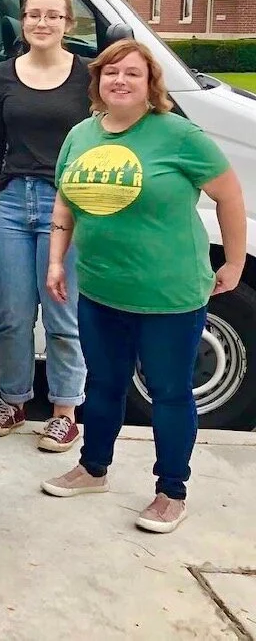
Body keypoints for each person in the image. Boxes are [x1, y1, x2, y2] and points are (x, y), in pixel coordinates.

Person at [41, 39, 246, 534]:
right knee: (104, 384)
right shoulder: (82, 135)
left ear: (150, 83)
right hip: (101, 289)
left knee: (170, 392)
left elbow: (229, 194)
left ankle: (171, 490)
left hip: (169, 296)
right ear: (98, 83)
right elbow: (65, 205)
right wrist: (55, 262)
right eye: (111, 73)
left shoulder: (178, 135)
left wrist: (235, 262)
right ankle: (93, 468)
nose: (120, 81)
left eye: (132, 73)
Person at [0, 0, 90, 452]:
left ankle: (65, 411)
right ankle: (14, 400)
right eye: (32, 15)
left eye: (52, 16)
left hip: (67, 205)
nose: (42, 23)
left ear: (68, 24)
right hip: (12, 204)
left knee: (63, 314)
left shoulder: (89, 77)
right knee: (11, 314)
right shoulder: (0, 77)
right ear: (21, 21)